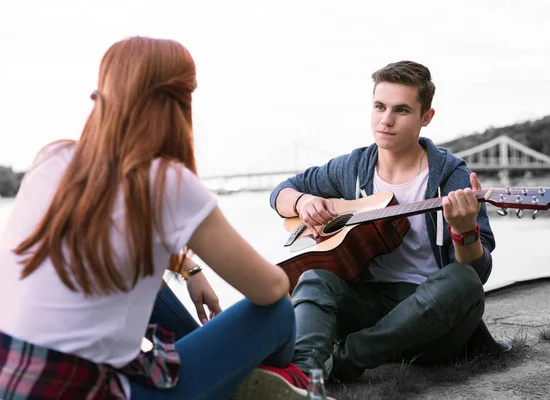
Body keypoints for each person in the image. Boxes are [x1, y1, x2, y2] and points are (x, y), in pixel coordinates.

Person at [0, 36, 329, 400]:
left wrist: (188, 267)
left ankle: (241, 378)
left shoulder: (53, 157)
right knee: (277, 313)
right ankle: (288, 379)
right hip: (87, 392)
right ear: (179, 102)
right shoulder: (166, 183)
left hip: (9, 377)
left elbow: (111, 236)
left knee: (142, 278)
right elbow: (270, 289)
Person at [269, 60, 512, 382]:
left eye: (401, 110)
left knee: (462, 280)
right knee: (314, 277)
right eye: (379, 106)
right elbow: (280, 193)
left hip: (432, 324)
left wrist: (465, 230)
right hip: (367, 307)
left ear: (426, 117)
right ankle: (303, 375)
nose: (386, 120)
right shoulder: (352, 168)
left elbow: (477, 273)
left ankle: (343, 362)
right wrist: (304, 201)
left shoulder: (454, 175)